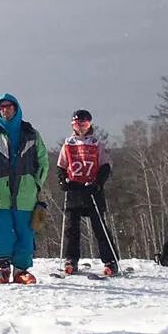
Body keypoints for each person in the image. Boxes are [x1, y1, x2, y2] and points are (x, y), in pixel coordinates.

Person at [0, 93, 50, 284]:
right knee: (1, 231)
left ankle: (21, 270)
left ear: (16, 108)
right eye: (1, 107)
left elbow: (43, 161)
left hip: (25, 193)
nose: (5, 110)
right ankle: (2, 268)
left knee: (25, 231)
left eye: (9, 106)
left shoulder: (31, 134)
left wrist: (36, 184)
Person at [56, 109, 118, 276]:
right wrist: (62, 181)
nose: (81, 128)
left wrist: (98, 183)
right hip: (74, 188)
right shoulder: (68, 143)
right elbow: (61, 166)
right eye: (77, 124)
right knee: (71, 228)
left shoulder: (96, 143)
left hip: (91, 189)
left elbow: (105, 165)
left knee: (99, 227)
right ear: (72, 125)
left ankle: (110, 261)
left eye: (84, 124)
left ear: (90, 125)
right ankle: (71, 259)